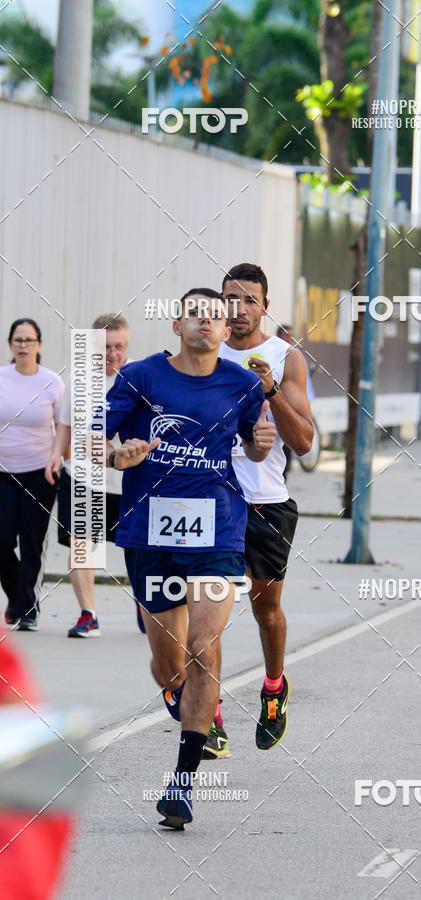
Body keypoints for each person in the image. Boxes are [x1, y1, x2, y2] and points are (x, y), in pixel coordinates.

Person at [101, 288, 275, 829]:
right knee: (169, 665)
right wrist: (117, 455)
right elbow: (93, 441)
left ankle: (182, 782)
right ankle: (181, 695)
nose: (206, 321)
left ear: (226, 331)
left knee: (203, 647)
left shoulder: (242, 384)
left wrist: (261, 444)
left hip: (217, 531)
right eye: (195, 313)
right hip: (150, 535)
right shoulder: (140, 377)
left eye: (215, 316)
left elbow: (254, 446)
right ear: (176, 325)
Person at [221, 264, 313, 751]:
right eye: (230, 300)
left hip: (265, 501)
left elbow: (304, 442)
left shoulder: (284, 357)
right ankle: (207, 711)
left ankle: (274, 687)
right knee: (205, 608)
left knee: (267, 609)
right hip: (211, 499)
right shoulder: (203, 352)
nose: (238, 310)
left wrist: (271, 390)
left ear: (266, 306)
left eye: (249, 300)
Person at [45, 314, 139, 637]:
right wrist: (56, 454)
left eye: (119, 347)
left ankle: (145, 604)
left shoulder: (139, 376)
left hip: (128, 480)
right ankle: (89, 615)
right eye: (105, 348)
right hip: (83, 477)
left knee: (136, 551)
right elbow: (66, 425)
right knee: (81, 544)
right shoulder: (79, 377)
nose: (113, 354)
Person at [0, 318, 64, 631]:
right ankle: (20, 598)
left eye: (29, 340)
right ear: (10, 344)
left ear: (39, 344)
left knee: (31, 542)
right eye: (18, 340)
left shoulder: (52, 382)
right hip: (3, 473)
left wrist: (56, 457)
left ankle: (25, 610)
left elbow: (63, 426)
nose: (23, 345)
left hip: (40, 473)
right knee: (1, 538)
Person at [276, 324, 315, 479]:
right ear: (279, 335)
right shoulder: (272, 353)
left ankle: (284, 475)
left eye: (291, 336)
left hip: (290, 410)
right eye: (286, 335)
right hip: (273, 413)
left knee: (287, 446)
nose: (289, 338)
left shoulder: (295, 357)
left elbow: (305, 388)